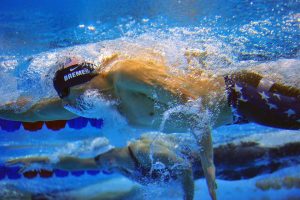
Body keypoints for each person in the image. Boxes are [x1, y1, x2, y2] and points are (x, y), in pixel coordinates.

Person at [1, 49, 300, 199]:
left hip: (240, 96)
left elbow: (194, 108)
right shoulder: (86, 102)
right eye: (78, 99)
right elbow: (31, 113)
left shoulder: (127, 75)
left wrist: (208, 164)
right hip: (235, 117)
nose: (88, 100)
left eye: (88, 91)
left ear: (95, 77)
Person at [7, 133, 203, 200]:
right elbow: (76, 164)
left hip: (201, 161)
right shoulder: (116, 166)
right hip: (192, 176)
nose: (103, 166)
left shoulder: (142, 150)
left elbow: (184, 167)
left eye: (101, 159)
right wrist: (37, 161)